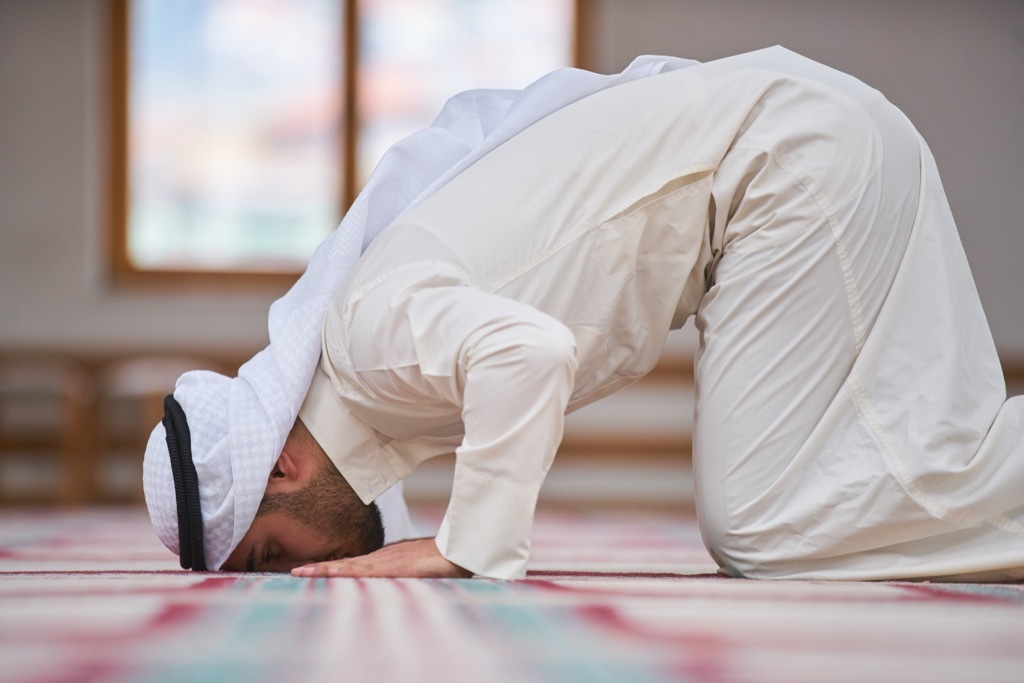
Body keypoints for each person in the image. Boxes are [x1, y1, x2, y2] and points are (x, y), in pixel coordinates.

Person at [143, 47, 1024, 582]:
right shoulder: (377, 378)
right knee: (870, 469)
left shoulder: (363, 339)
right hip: (791, 164)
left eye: (271, 554)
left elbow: (528, 352)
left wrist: (466, 545)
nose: (303, 573)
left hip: (789, 166)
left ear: (282, 467)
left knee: (763, 523)